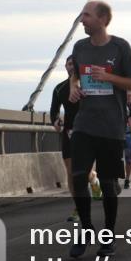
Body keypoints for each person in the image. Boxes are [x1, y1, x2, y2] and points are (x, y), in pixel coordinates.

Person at [67, 0, 131, 258]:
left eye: (86, 15)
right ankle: (85, 229)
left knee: (108, 185)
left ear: (102, 20)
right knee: (78, 177)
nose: (81, 19)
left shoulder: (120, 47)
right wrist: (73, 87)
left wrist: (108, 77)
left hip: (111, 127)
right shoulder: (80, 47)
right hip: (84, 124)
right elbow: (74, 75)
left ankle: (107, 238)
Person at [51, 56, 80, 221]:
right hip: (69, 131)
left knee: (85, 171)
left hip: (88, 131)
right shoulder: (59, 88)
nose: (71, 66)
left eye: (74, 63)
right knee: (71, 172)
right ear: (65, 66)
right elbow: (54, 109)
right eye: (69, 64)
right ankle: (78, 207)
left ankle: (94, 180)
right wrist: (55, 120)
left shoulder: (88, 86)